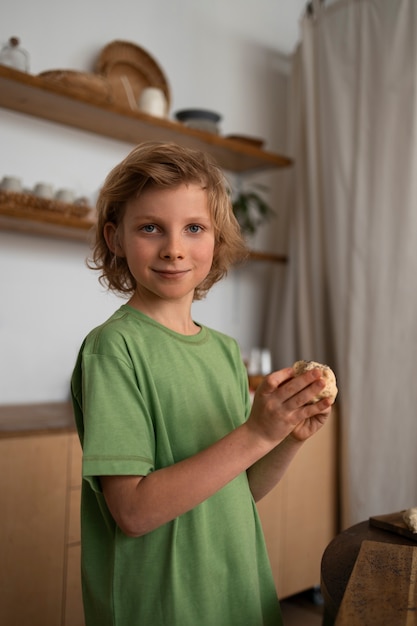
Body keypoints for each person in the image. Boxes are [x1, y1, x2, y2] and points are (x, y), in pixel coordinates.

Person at [71, 141, 334, 626]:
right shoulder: (113, 349)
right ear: (115, 238)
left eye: (194, 228)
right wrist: (255, 433)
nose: (174, 247)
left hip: (236, 590)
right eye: (150, 227)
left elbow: (238, 489)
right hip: (161, 605)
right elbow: (132, 512)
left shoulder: (224, 352)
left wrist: (283, 437)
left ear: (217, 240)